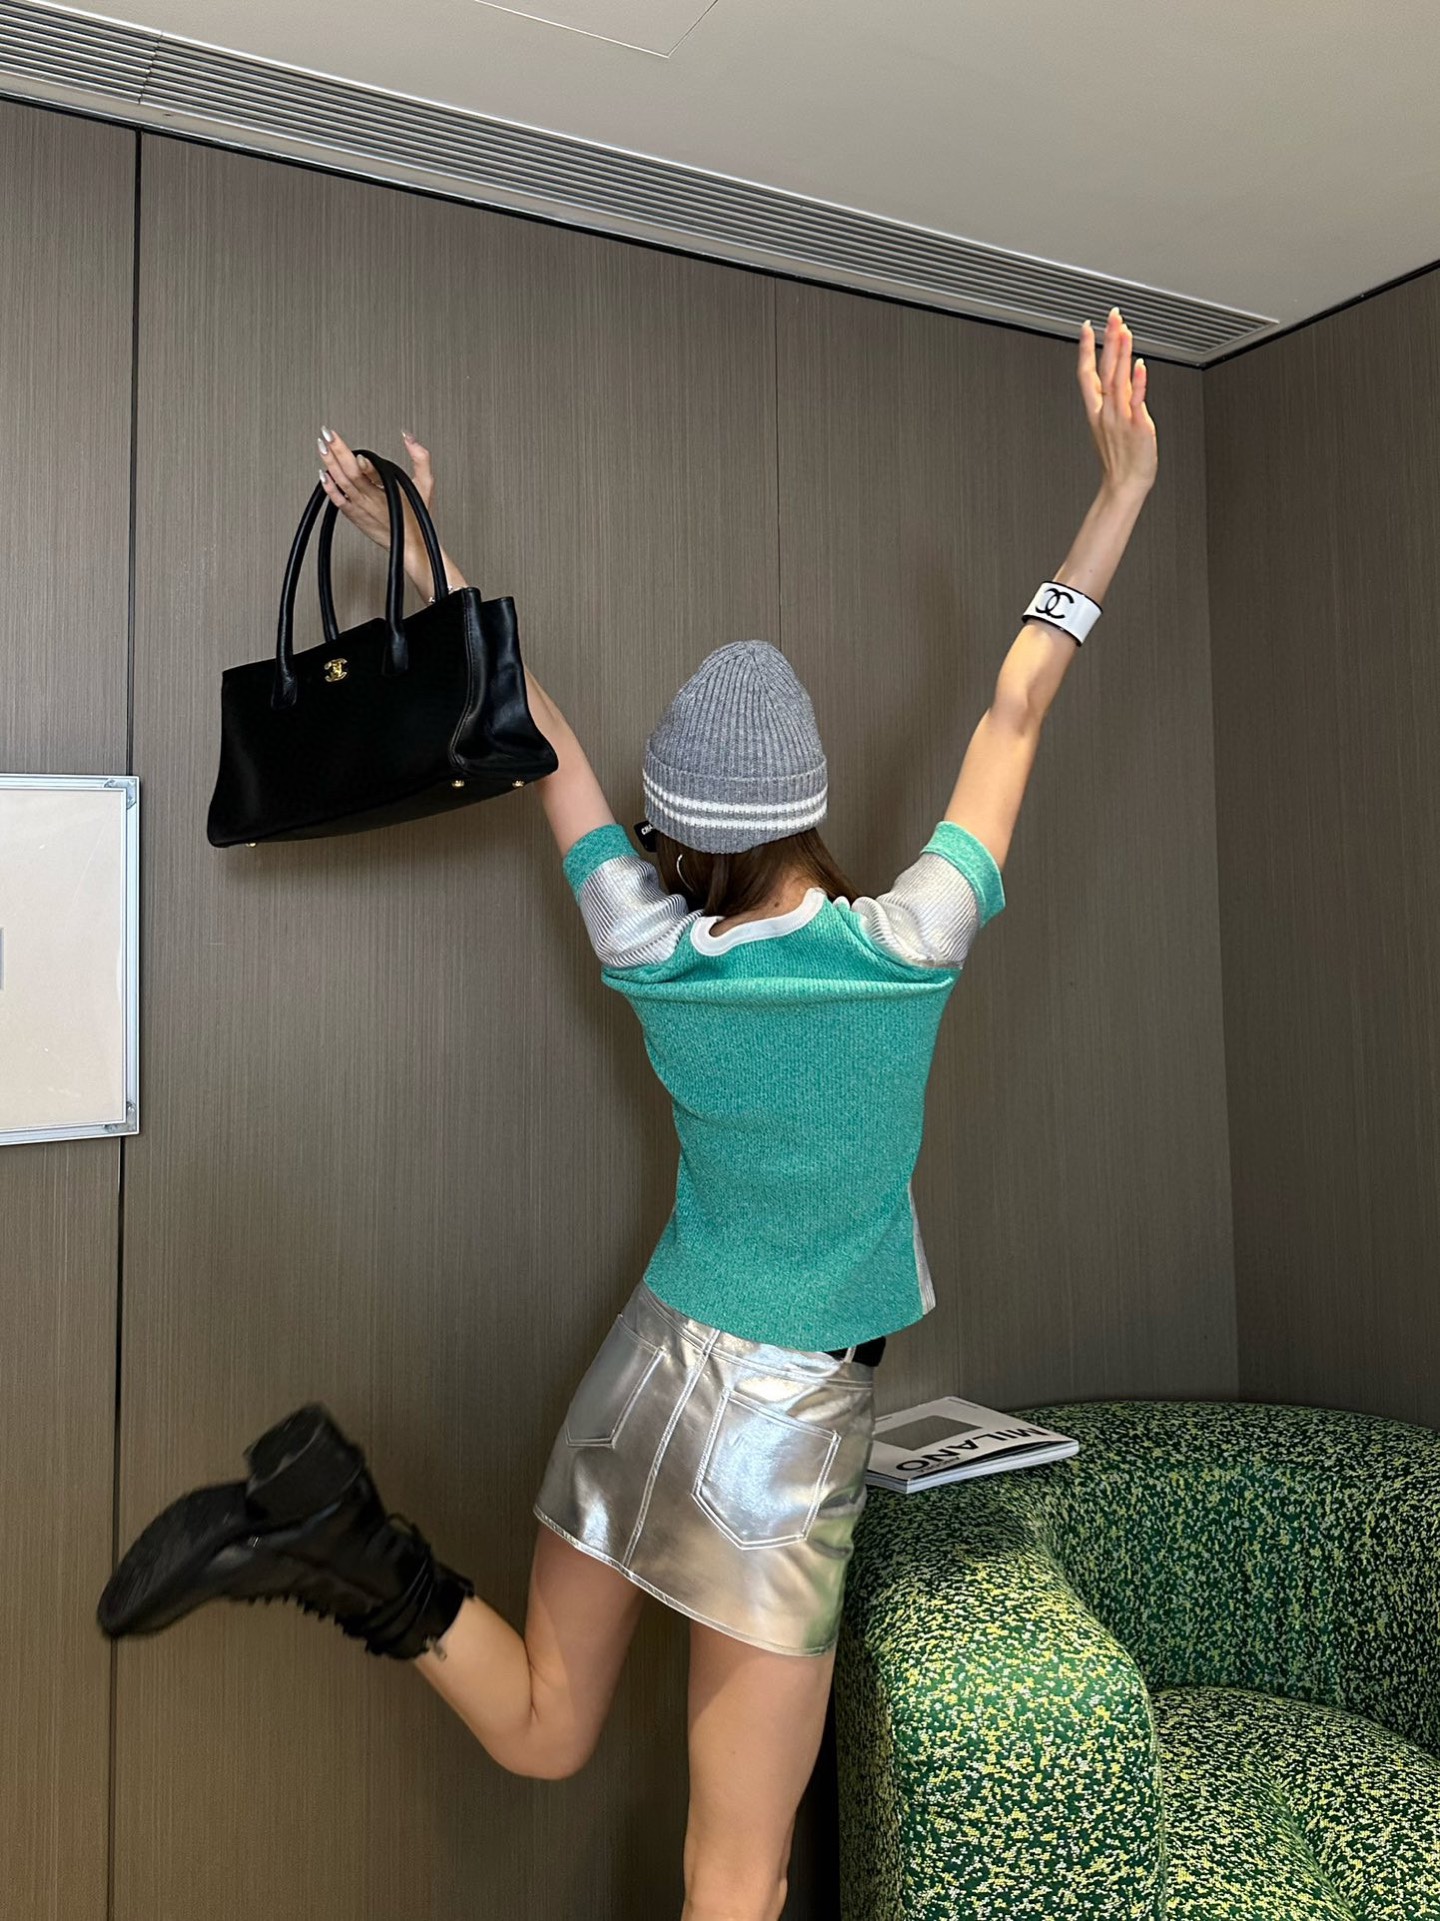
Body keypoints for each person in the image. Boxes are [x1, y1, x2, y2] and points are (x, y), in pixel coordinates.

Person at [98, 306, 1157, 1921]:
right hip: (789, 1430)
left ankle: (350, 1541)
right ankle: (342, 1539)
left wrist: (424, 558)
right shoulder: (910, 944)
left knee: (546, 1725)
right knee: (736, 1872)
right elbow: (1017, 706)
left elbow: (540, 740)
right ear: (804, 810)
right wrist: (1117, 492)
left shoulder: (648, 948)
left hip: (649, 1367)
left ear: (678, 834)